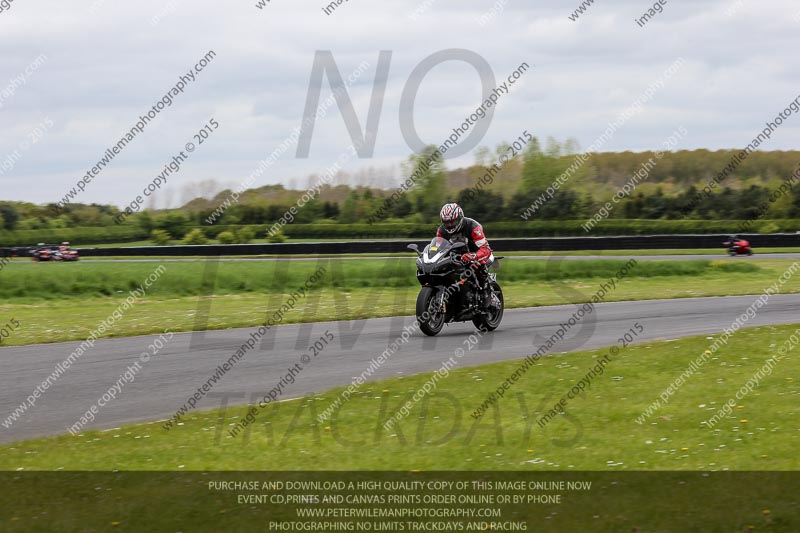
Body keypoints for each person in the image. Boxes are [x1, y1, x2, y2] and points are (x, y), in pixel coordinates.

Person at [436, 203, 498, 309]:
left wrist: (473, 256)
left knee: (479, 267)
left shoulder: (473, 227)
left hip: (477, 254)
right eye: (446, 222)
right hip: (456, 257)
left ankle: (488, 295)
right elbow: (438, 248)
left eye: (452, 221)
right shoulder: (441, 231)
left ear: (460, 218)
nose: (450, 225)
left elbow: (485, 249)